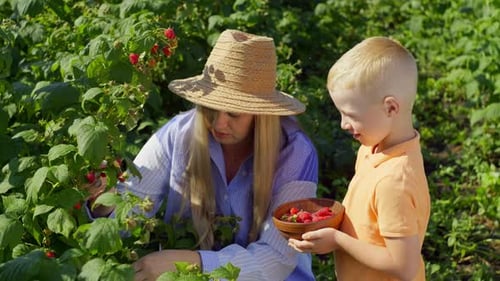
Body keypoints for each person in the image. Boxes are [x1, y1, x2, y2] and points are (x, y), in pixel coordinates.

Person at [86, 29, 319, 281]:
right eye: (209, 108)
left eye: (233, 113)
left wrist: (189, 262)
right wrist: (102, 201)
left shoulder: (294, 153)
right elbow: (130, 212)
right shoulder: (178, 134)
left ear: (260, 114)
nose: (219, 124)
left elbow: (276, 259)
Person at [288, 36, 431, 280]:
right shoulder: (372, 148)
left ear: (391, 108)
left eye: (350, 114)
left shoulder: (394, 181)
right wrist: (330, 224)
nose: (344, 124)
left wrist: (338, 240)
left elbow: (403, 266)